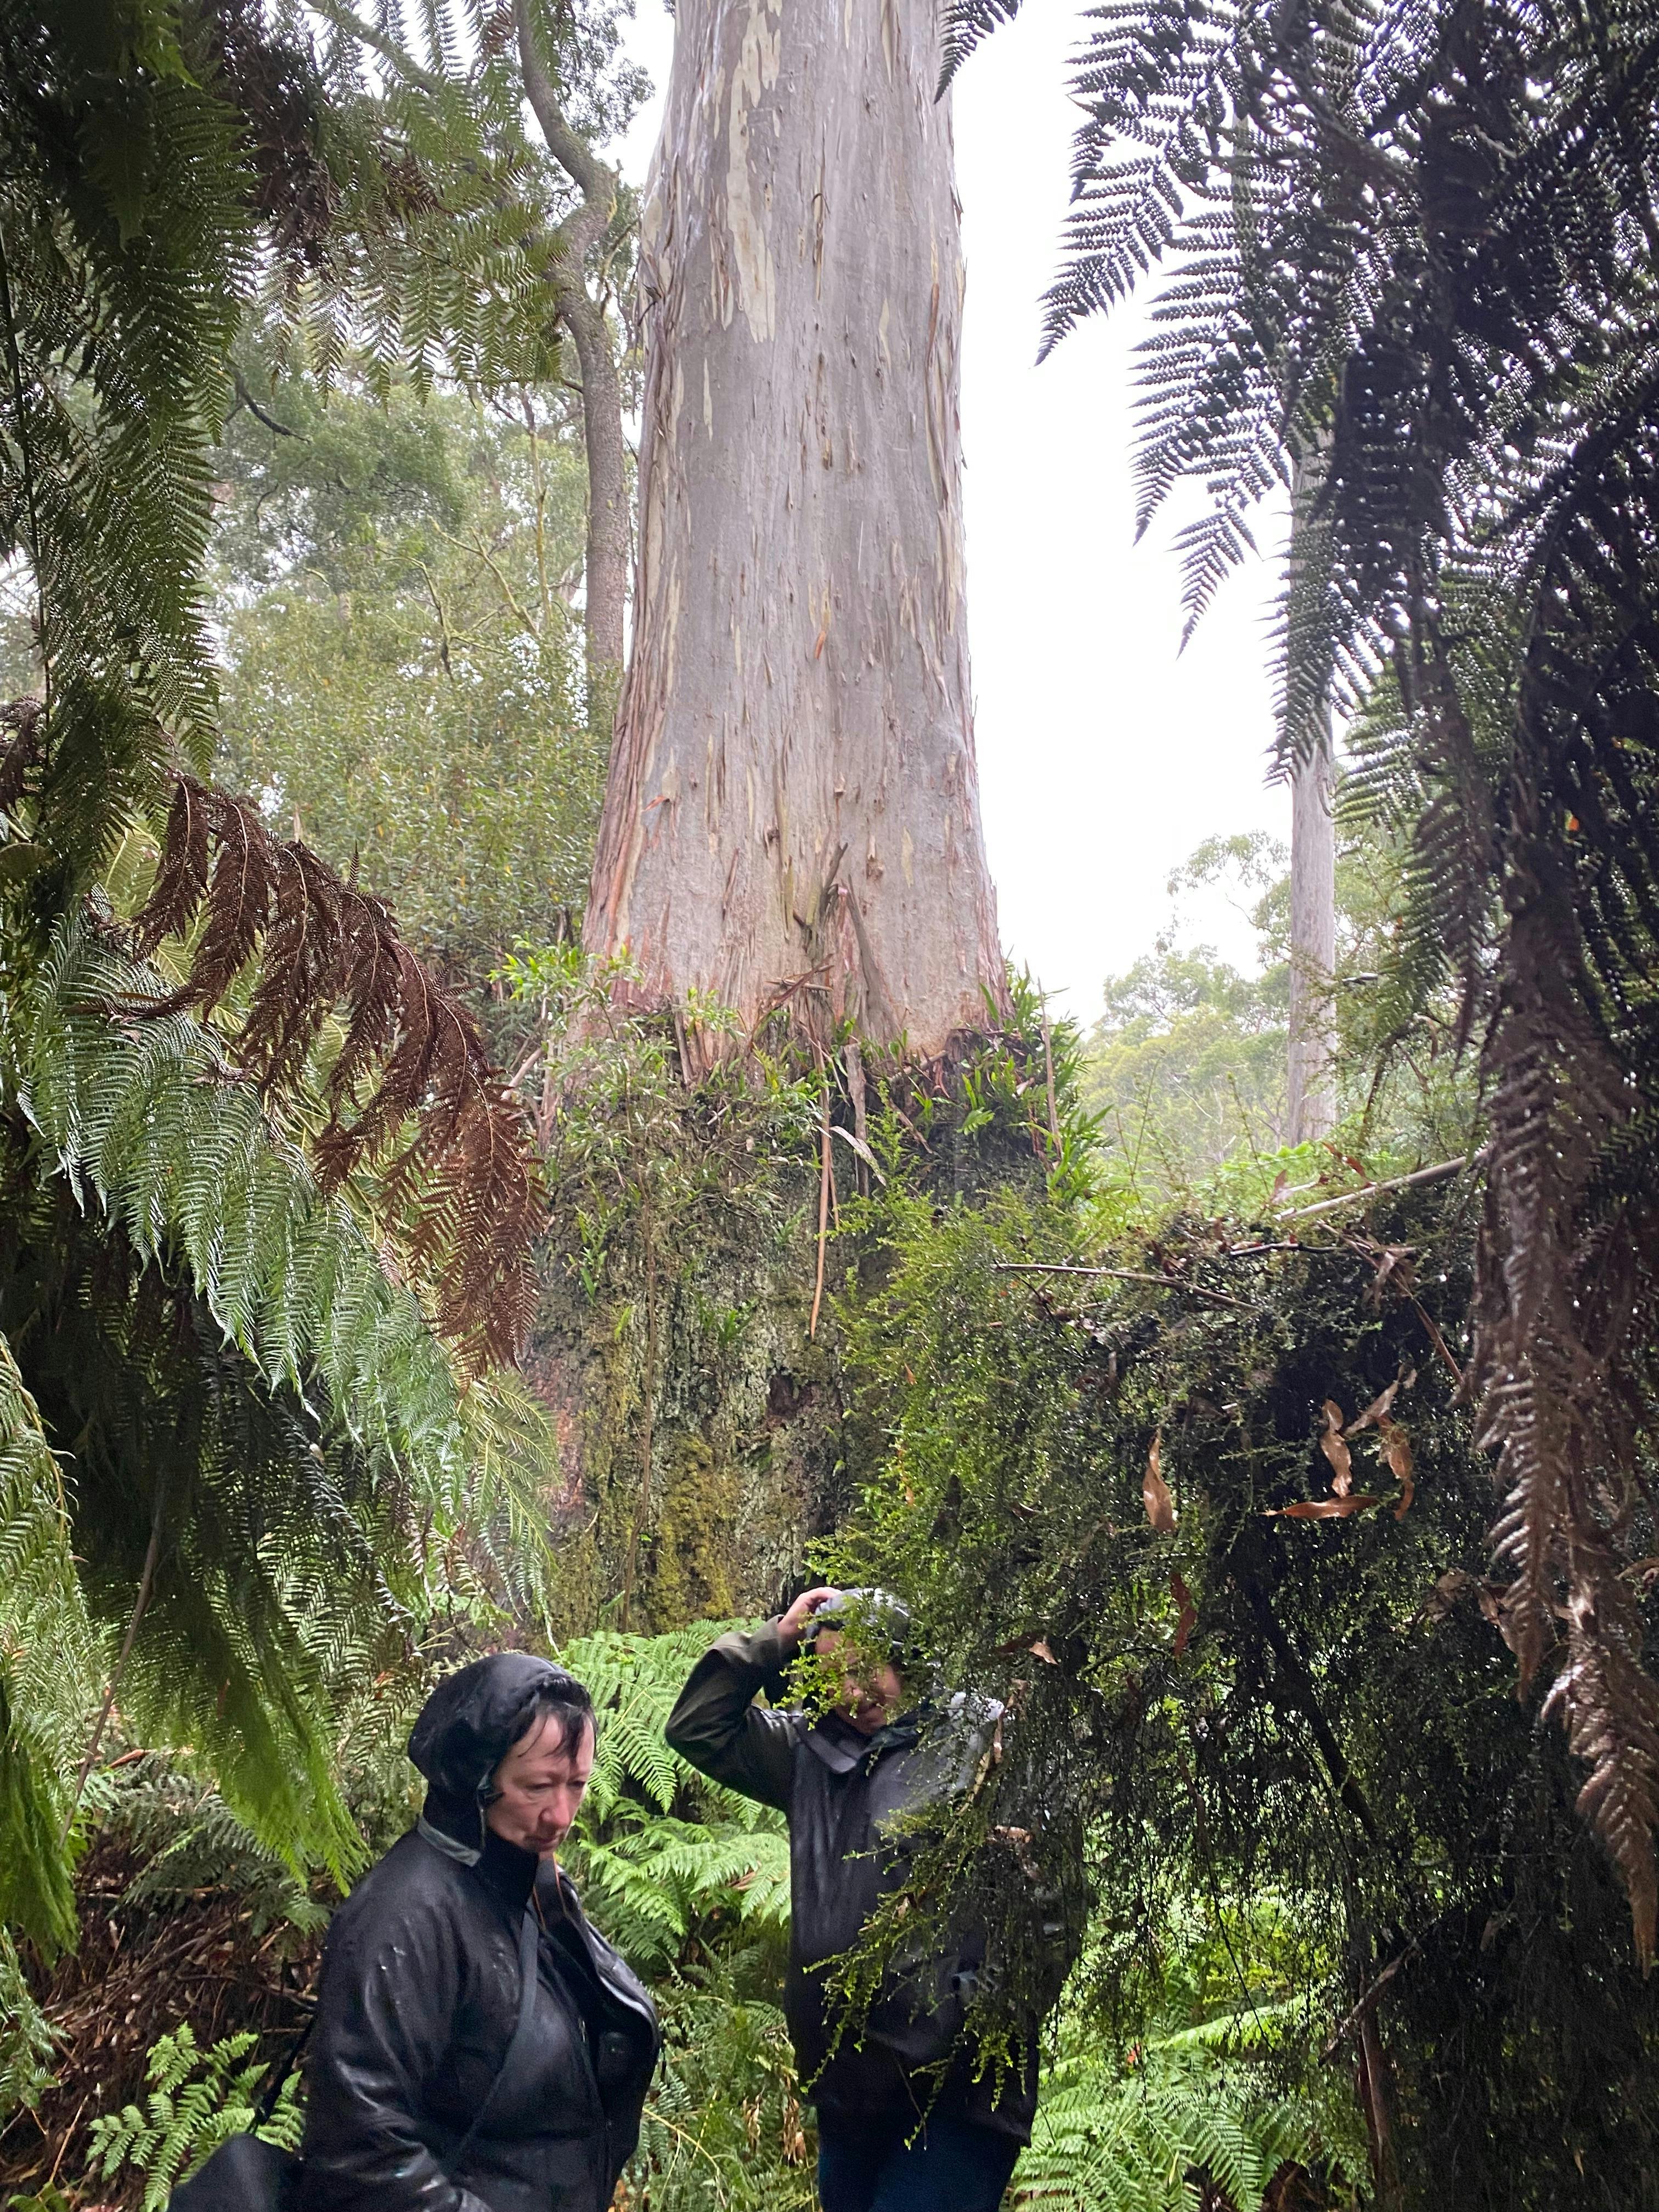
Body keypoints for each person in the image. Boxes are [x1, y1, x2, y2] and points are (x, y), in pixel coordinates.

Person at [665, 1587, 1070, 2212]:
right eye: (830, 1677)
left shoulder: (978, 1741)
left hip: (957, 2096)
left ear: (906, 1661)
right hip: (850, 2087)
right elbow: (697, 1727)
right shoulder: (808, 1752)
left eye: (864, 1670)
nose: (851, 1694)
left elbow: (1054, 1901)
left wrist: (968, 2015)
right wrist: (778, 1638)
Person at [300, 1653, 659, 2212]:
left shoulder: (532, 1881)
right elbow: (358, 2150)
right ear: (473, 1782)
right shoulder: (403, 1918)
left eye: (577, 1784)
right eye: (538, 1787)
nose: (562, 1815)